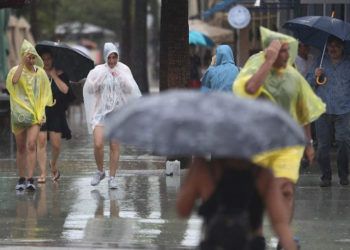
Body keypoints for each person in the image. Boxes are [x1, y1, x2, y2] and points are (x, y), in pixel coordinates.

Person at [233, 27, 325, 248]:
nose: (283, 54)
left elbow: (303, 110)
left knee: (286, 190)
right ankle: (256, 235)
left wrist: (308, 143)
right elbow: (250, 88)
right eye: (279, 50)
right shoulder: (255, 68)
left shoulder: (291, 76)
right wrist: (268, 61)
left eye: (286, 50)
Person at [176, 157, 298, 250]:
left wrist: (191, 176)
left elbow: (183, 210)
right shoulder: (263, 174)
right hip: (252, 244)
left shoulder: (203, 169)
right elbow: (280, 224)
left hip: (215, 244)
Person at [83, 42, 141, 189]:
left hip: (117, 113)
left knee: (115, 145)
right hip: (100, 113)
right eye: (109, 57)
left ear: (118, 56)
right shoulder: (98, 70)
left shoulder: (124, 69)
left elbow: (131, 89)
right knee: (98, 144)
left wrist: (120, 77)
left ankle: (112, 177)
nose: (112, 61)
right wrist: (98, 80)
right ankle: (100, 170)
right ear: (105, 56)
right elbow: (89, 89)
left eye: (114, 57)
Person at [6, 39, 53, 191]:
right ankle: (21, 178)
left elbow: (45, 93)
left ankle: (30, 178)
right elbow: (13, 82)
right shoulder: (15, 70)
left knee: (31, 145)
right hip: (19, 115)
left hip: (35, 115)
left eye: (33, 57)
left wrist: (42, 112)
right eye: (28, 56)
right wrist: (21, 63)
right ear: (22, 56)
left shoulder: (40, 74)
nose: (31, 60)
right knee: (20, 148)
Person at [306, 35, 350, 187]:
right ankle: (326, 176)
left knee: (343, 143)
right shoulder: (320, 61)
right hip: (322, 110)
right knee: (323, 147)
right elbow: (308, 82)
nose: (333, 48)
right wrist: (315, 75)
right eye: (330, 45)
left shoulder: (348, 63)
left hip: (344, 110)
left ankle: (344, 174)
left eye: (336, 45)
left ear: (342, 47)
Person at [36, 49, 75, 183]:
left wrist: (54, 76)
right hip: (41, 112)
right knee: (40, 142)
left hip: (56, 113)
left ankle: (53, 164)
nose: (46, 61)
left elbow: (66, 91)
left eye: (48, 58)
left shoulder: (60, 73)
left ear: (53, 59)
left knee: (56, 145)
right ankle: (42, 173)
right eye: (44, 58)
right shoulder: (37, 74)